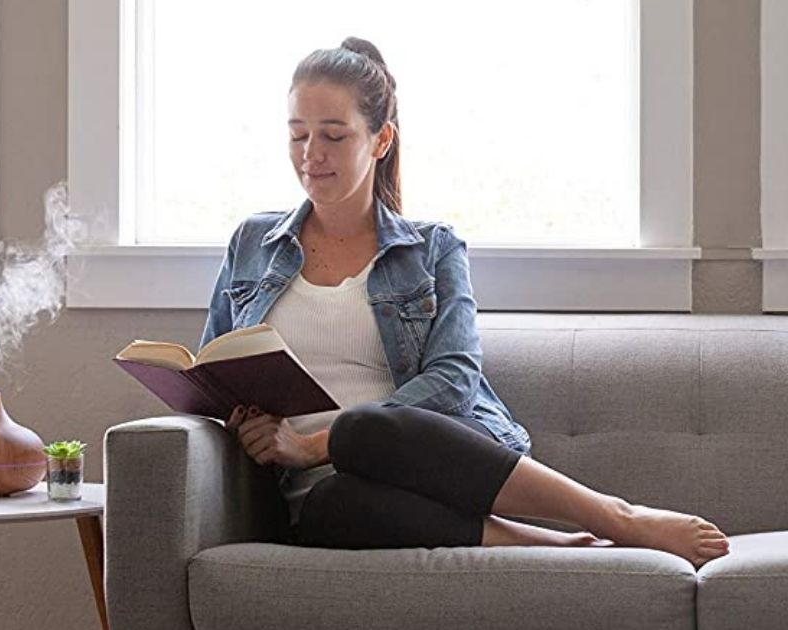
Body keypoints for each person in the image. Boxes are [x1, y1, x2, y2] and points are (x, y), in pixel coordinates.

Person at [201, 36, 729, 568]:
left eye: (333, 136)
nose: (311, 155)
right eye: (298, 135)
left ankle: (616, 517)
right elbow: (213, 373)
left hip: (417, 460)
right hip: (322, 495)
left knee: (363, 429)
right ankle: (556, 545)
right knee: (327, 508)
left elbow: (454, 379)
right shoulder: (252, 242)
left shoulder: (431, 248)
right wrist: (246, 423)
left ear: (381, 140)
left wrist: (318, 443)